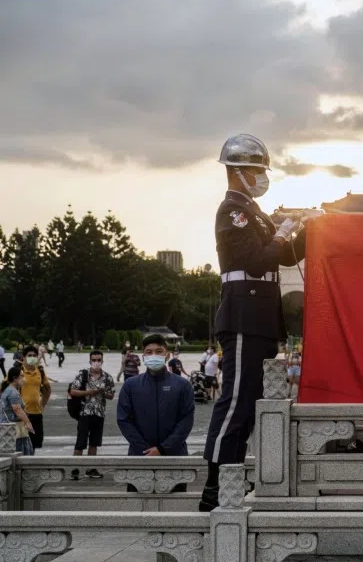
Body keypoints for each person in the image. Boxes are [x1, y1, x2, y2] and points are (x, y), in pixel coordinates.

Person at [200, 133, 311, 511]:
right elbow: (258, 260)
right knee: (235, 401)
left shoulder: (253, 212)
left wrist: (310, 227)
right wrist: (281, 232)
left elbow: (283, 257)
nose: (262, 177)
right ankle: (215, 484)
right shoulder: (234, 210)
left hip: (261, 315)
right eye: (256, 170)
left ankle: (229, 475)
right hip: (245, 313)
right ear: (238, 172)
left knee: (250, 405)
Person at [117, 335, 195, 492]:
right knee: (137, 508)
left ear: (167, 354)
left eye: (159, 351)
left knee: (175, 508)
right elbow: (124, 420)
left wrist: (163, 449)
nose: (154, 355)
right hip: (140, 456)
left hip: (174, 456)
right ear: (143, 356)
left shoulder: (182, 385)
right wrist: (145, 450)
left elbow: (186, 420)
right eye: (149, 352)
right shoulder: (131, 385)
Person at [69, 350, 116, 479]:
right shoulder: (83, 375)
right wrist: (89, 392)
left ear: (102, 361)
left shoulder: (107, 377)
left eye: (99, 360)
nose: (96, 362)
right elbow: (73, 391)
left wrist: (102, 393)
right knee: (80, 442)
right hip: (85, 412)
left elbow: (111, 395)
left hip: (99, 413)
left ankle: (91, 468)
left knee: (94, 442)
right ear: (90, 361)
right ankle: (75, 469)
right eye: (94, 360)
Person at [19, 345, 52, 451]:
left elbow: (47, 389)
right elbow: (3, 389)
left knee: (36, 442)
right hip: (22, 414)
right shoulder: (18, 372)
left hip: (37, 413)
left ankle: (29, 465)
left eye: (34, 355)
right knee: (22, 442)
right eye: (29, 355)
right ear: (23, 357)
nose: (32, 357)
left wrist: (43, 404)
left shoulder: (40, 372)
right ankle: (22, 466)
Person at [1, 367, 35, 455]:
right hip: (14, 429)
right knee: (20, 454)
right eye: (22, 376)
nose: (24, 379)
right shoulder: (13, 392)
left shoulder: (9, 390)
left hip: (10, 428)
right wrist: (28, 422)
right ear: (15, 378)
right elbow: (17, 409)